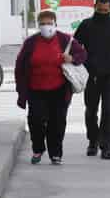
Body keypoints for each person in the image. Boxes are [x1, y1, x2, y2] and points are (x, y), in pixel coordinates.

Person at [15, 11, 87, 165]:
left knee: (57, 122)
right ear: (38, 25)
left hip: (59, 89)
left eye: (49, 23)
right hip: (36, 89)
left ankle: (56, 154)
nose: (46, 26)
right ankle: (38, 149)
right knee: (36, 120)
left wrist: (72, 58)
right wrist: (21, 91)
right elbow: (20, 66)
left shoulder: (65, 39)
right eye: (42, 23)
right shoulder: (30, 42)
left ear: (55, 24)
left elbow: (82, 54)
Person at [74, 0, 110, 160]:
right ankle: (93, 141)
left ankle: (107, 147)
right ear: (95, 6)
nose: (103, 12)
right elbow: (75, 45)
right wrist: (83, 61)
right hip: (91, 75)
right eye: (100, 9)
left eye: (106, 10)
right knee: (91, 111)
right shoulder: (86, 25)